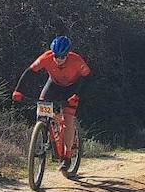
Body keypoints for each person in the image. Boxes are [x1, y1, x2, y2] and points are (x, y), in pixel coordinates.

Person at [12, 36, 90, 175]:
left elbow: (87, 77)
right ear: (52, 53)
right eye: (56, 56)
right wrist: (18, 90)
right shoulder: (46, 58)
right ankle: (43, 130)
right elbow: (29, 72)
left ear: (68, 54)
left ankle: (67, 155)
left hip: (72, 88)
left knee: (68, 119)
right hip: (53, 85)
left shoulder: (77, 61)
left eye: (62, 56)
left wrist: (76, 95)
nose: (59, 59)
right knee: (42, 109)